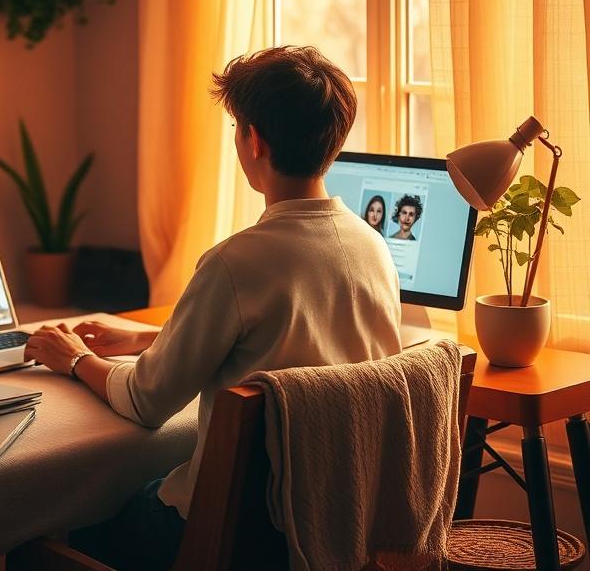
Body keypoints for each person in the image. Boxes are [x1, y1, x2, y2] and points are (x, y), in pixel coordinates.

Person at [23, 46, 402, 571]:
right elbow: (295, 342)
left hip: (238, 529)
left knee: (38, 531)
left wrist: (72, 358)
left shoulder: (236, 261)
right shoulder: (371, 245)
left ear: (253, 139)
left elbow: (145, 402)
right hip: (326, 517)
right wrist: (155, 338)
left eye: (236, 128)